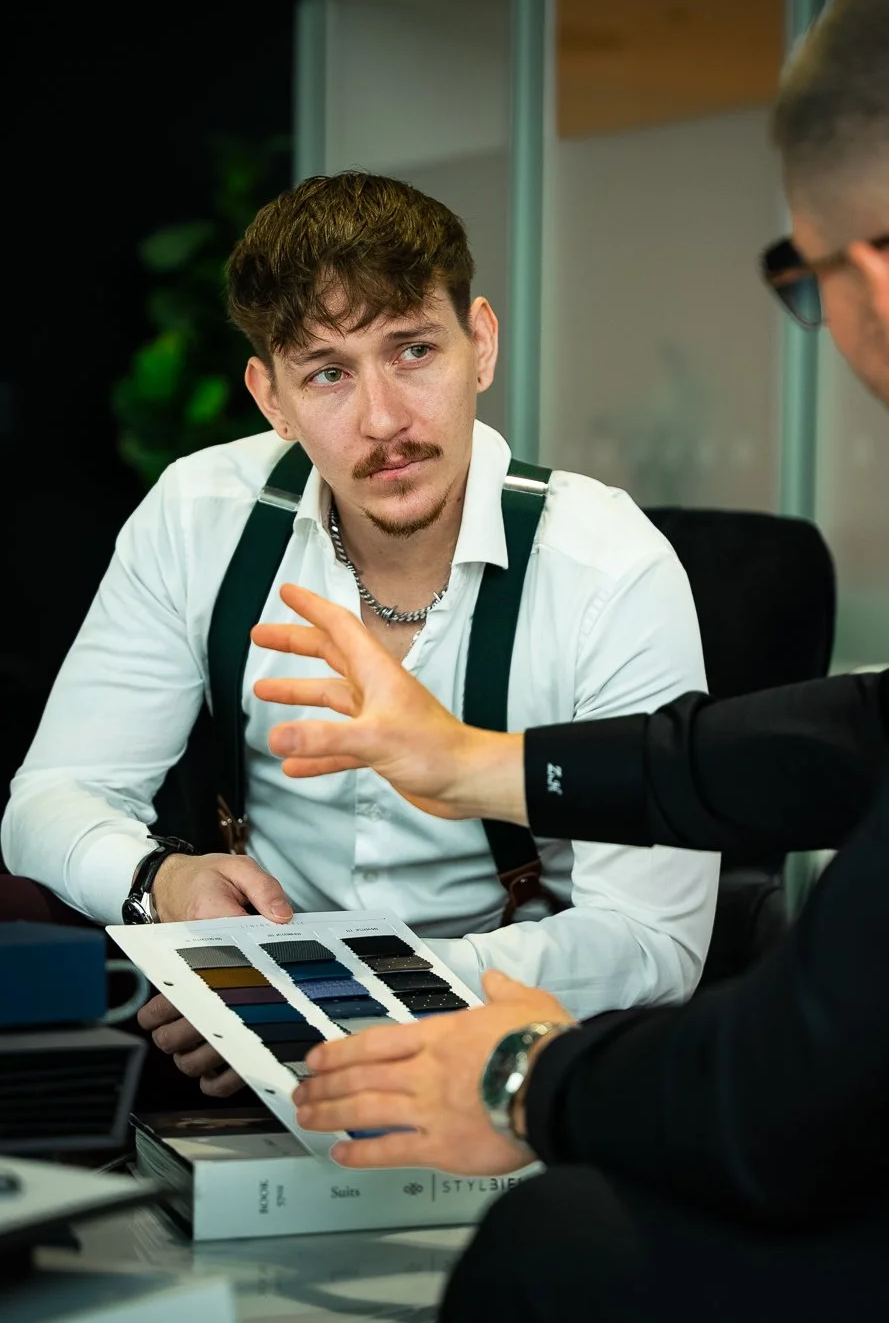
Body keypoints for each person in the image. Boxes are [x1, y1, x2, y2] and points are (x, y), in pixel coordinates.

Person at [250, 0, 889, 1316]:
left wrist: (528, 1075)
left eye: (802, 281)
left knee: (567, 1245)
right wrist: (492, 766)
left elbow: (814, 1070)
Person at [0, 172, 718, 1096]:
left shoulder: (609, 568)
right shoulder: (201, 516)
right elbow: (49, 801)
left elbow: (652, 940)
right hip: (247, 1079)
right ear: (273, 399)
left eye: (414, 350)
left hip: (517, 1071)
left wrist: (325, 1005)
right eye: (328, 373)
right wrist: (162, 886)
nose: (383, 421)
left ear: (482, 343)